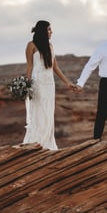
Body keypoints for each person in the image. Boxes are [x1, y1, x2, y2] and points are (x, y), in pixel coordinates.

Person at [22, 20, 79, 150]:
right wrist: (26, 85)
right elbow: (29, 67)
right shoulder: (31, 45)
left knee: (48, 112)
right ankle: (36, 142)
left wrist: (67, 83)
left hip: (49, 84)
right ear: (42, 31)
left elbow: (55, 67)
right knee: (38, 111)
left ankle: (47, 143)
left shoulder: (50, 46)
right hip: (37, 84)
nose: (51, 32)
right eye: (49, 29)